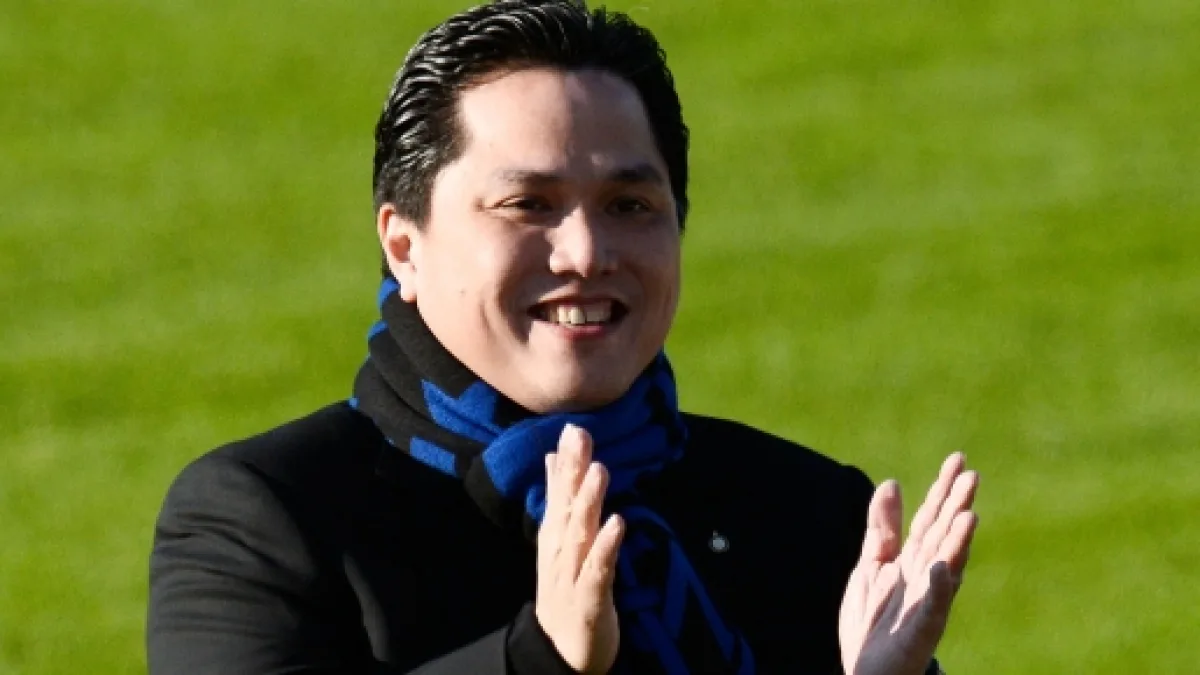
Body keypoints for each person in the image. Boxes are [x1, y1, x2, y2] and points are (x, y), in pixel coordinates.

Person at [145, 1, 979, 673]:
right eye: (528, 205)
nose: (584, 252)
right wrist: (538, 658)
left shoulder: (807, 513)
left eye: (630, 206)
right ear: (403, 245)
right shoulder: (267, 522)